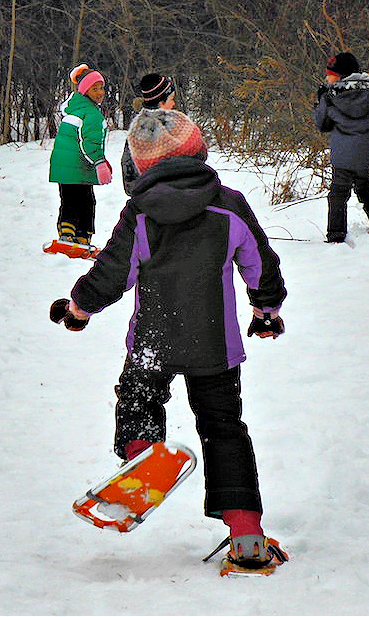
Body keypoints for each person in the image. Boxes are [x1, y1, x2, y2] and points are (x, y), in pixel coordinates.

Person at [50, 108, 288, 568]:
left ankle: (141, 464)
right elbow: (261, 263)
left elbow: (110, 273)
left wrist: (78, 308)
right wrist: (266, 311)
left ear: (138, 165)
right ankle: (247, 538)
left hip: (152, 342)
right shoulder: (229, 204)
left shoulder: (139, 215)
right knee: (224, 429)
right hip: (215, 347)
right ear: (198, 151)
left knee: (138, 400)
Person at [313, 51, 369, 242]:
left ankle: (336, 233)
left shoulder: (330, 96)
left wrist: (320, 102)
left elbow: (322, 124)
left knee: (338, 193)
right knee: (365, 185)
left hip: (343, 155)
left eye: (331, 75)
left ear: (341, 76)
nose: (328, 78)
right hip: (366, 152)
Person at [49, 64, 113, 247]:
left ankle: (67, 234)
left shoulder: (75, 109)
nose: (100, 92)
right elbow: (90, 142)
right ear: (85, 91)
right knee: (85, 201)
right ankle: (81, 237)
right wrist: (100, 163)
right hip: (78, 166)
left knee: (69, 199)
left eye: (101, 87)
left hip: (64, 166)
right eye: (95, 88)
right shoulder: (92, 114)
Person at [120, 73, 176, 195]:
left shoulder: (167, 124)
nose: (174, 104)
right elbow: (129, 171)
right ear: (161, 102)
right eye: (171, 99)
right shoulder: (145, 129)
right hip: (153, 201)